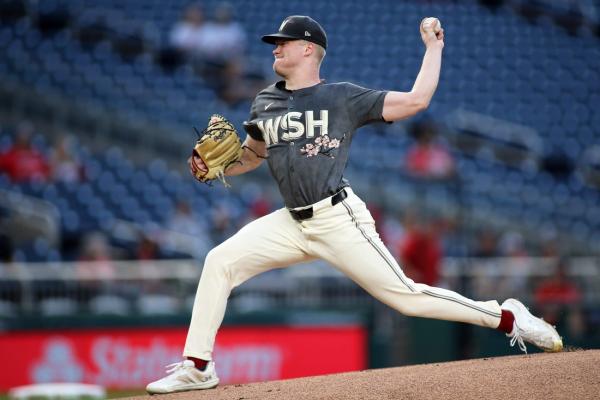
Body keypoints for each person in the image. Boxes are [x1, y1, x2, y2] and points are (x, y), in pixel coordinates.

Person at [147, 15, 562, 394]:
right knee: (219, 261)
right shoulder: (264, 102)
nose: (275, 48)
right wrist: (217, 167)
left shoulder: (342, 97)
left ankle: (507, 317)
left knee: (406, 297)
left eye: (283, 42)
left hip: (337, 217)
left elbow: (417, 101)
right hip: (290, 221)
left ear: (308, 49)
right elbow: (253, 155)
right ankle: (198, 366)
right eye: (275, 43)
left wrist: (433, 48)